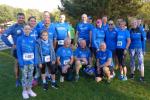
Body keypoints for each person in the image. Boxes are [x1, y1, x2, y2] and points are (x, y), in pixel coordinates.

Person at [1, 12, 25, 87]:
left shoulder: (26, 25)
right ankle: (17, 79)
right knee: (17, 64)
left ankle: (26, 78)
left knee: (26, 63)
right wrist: (11, 45)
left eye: (22, 17)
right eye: (19, 18)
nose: (21, 19)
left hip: (27, 49)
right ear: (17, 18)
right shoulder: (13, 27)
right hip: (17, 49)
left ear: (24, 18)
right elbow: (3, 36)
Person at [17, 25, 37, 99]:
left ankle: (29, 89)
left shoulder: (33, 39)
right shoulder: (19, 39)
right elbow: (18, 51)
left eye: (29, 29)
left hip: (31, 62)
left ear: (30, 30)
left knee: (31, 76)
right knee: (24, 76)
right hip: (24, 62)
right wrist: (20, 61)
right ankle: (24, 91)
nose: (27, 30)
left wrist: (35, 60)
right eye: (26, 29)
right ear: (23, 30)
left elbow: (35, 50)